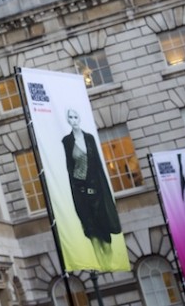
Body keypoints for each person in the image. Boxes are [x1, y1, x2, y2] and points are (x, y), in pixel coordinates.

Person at [61, 108, 121, 268]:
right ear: (68, 120)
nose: (73, 120)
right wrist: (76, 187)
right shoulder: (67, 141)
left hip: (97, 193)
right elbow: (69, 167)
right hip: (81, 194)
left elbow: (98, 165)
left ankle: (108, 265)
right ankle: (103, 266)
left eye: (75, 117)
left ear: (79, 118)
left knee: (105, 239)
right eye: (70, 117)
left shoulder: (89, 138)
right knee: (92, 235)